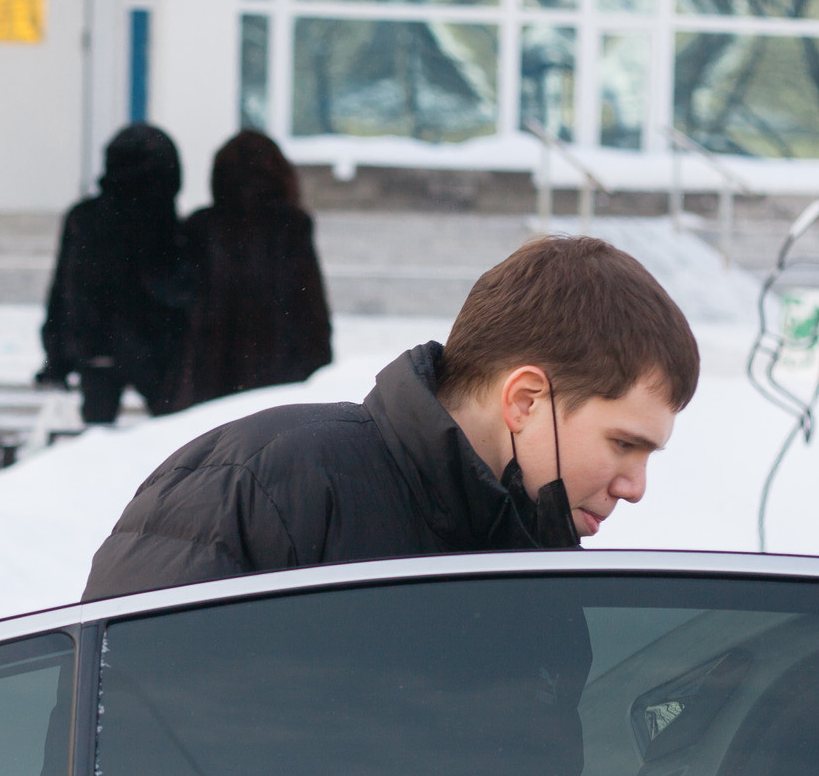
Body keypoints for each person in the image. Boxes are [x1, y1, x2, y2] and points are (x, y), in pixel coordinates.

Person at [84, 233, 694, 601]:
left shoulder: (541, 561)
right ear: (525, 401)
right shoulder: (261, 487)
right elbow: (129, 760)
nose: (635, 487)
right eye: (623, 444)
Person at [37, 123, 191, 425]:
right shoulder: (164, 223)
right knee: (175, 442)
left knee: (94, 446)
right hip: (155, 352)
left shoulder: (85, 218)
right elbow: (176, 289)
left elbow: (63, 293)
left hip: (96, 349)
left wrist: (56, 357)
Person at [170, 129, 331, 411]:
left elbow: (181, 304)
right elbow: (310, 307)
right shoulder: (291, 226)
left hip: (212, 377)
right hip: (279, 376)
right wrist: (318, 366)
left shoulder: (201, 226)